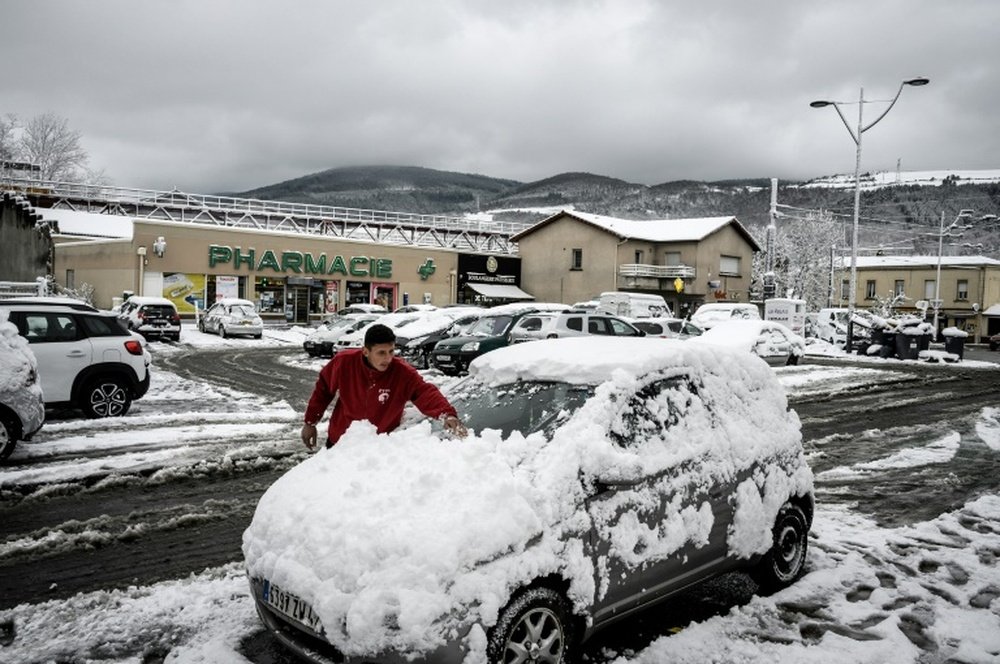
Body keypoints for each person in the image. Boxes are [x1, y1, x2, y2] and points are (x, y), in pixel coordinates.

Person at [300, 323, 467, 450]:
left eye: (391, 351)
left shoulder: (401, 372)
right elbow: (323, 390)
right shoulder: (344, 362)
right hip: (340, 443)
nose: (388, 358)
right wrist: (310, 422)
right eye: (381, 353)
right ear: (366, 351)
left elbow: (424, 392)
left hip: (379, 448)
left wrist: (448, 415)